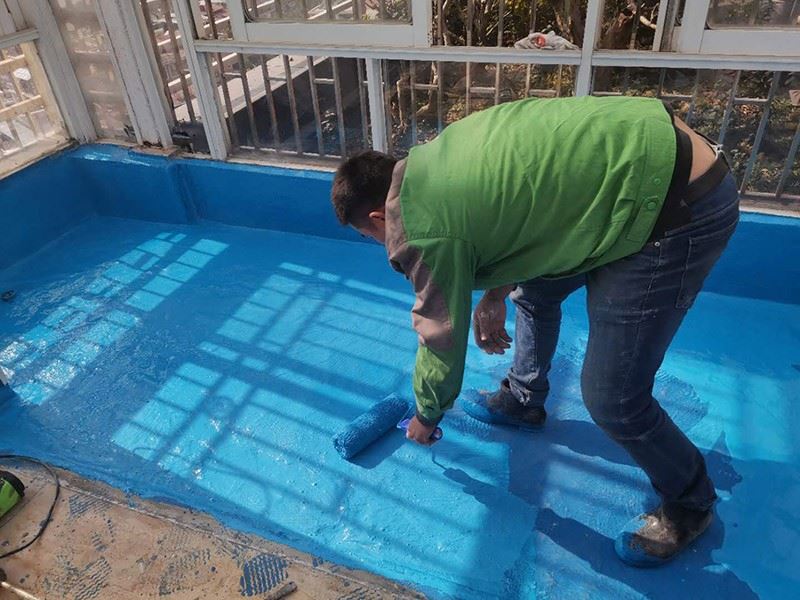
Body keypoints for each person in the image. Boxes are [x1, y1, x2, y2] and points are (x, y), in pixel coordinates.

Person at [329, 96, 738, 567]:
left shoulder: (422, 228)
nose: (381, 244)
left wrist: (426, 413)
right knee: (537, 291)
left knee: (614, 398)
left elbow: (441, 335)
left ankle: (690, 502)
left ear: (378, 218)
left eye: (370, 237)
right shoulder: (433, 164)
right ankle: (524, 399)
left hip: (674, 205)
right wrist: (495, 294)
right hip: (638, 162)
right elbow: (524, 223)